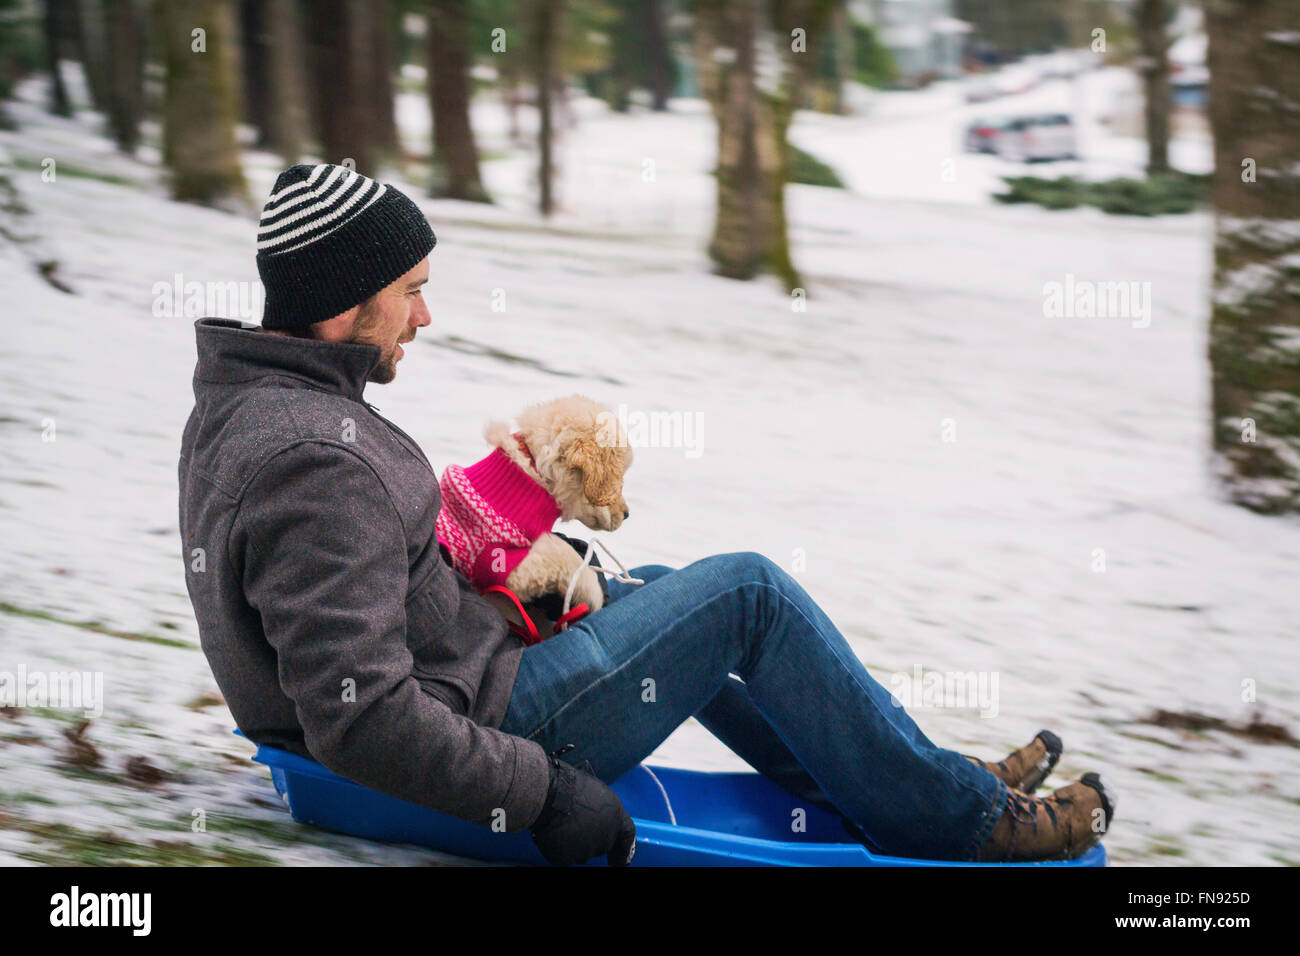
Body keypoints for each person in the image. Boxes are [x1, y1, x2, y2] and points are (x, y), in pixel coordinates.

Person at [178, 164, 1115, 866]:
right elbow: (361, 719)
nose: (426, 316)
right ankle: (967, 822)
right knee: (744, 592)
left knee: (665, 590)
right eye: (412, 290)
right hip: (496, 725)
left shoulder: (259, 404)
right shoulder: (314, 460)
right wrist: (545, 796)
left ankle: (905, 783)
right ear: (347, 299)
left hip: (475, 671)